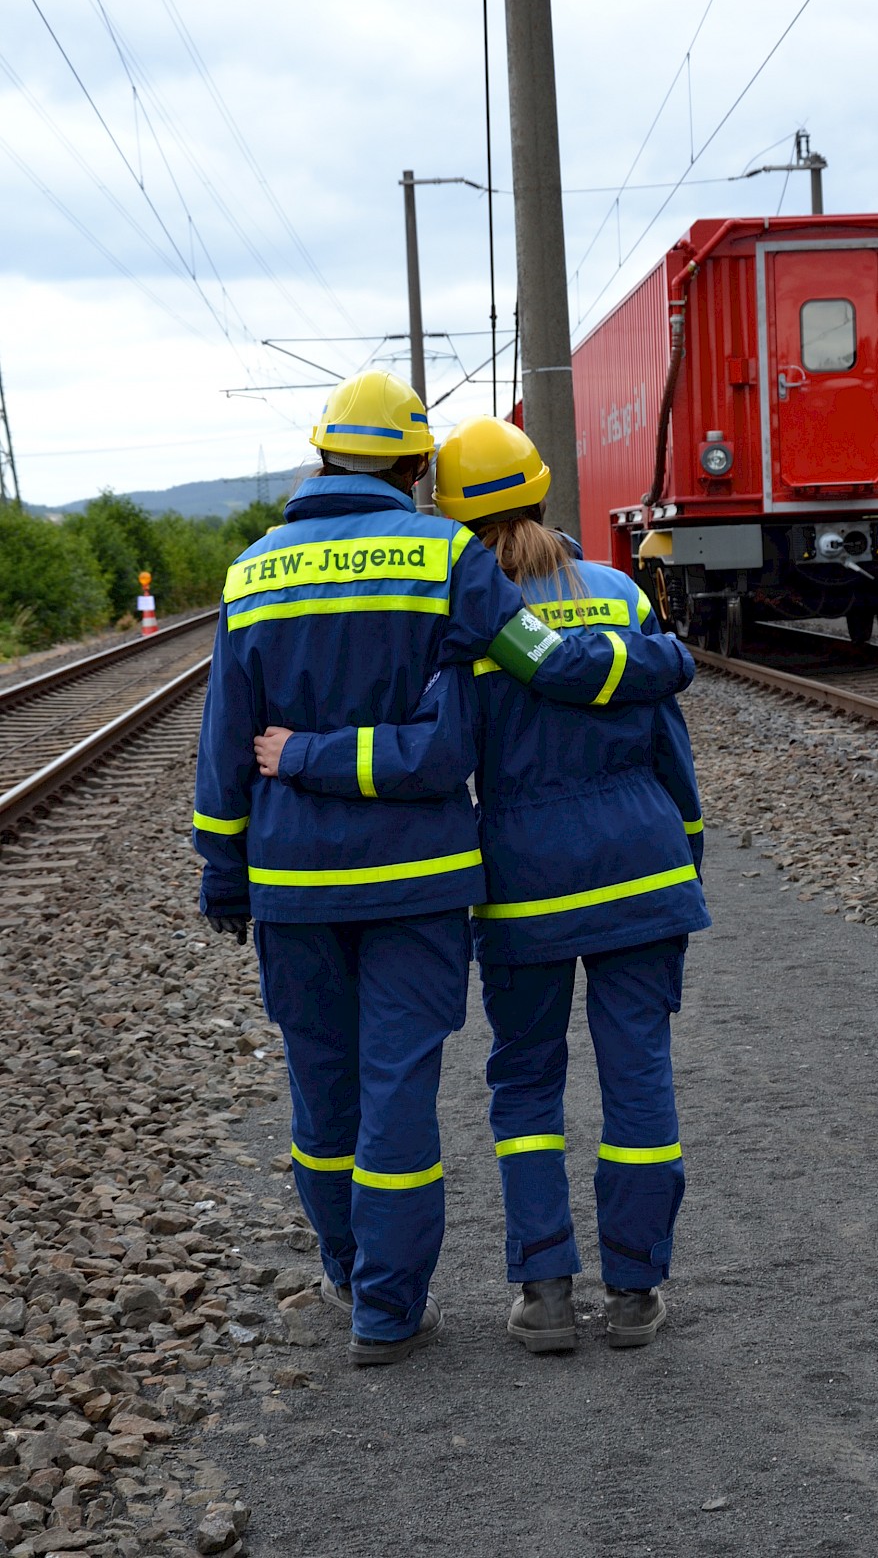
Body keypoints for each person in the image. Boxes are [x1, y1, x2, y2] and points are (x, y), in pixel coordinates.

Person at [193, 373, 695, 1366]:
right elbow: (555, 682)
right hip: (450, 880)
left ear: (325, 451)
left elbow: (223, 741)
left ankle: (398, 1283)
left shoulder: (251, 571)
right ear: (413, 466)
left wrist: (228, 865)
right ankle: (471, 1302)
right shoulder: (459, 567)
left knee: (349, 1091)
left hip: (331, 877)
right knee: (418, 1091)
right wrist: (672, 665)